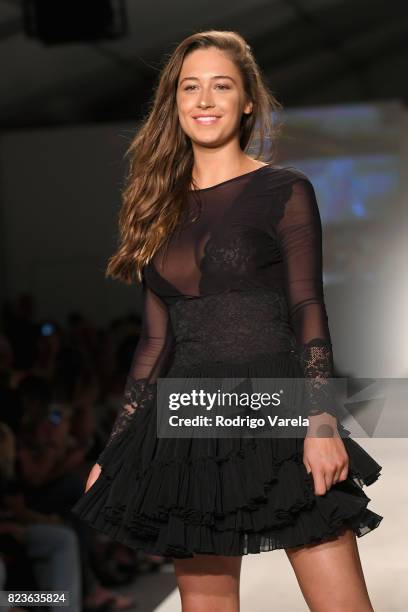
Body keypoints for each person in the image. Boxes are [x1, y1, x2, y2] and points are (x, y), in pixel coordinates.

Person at [71, 30, 383, 612]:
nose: (205, 99)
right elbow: (156, 340)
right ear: (175, 102)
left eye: (222, 85)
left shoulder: (283, 189)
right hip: (189, 417)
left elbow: (306, 306)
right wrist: (113, 452)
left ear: (246, 101)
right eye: (190, 87)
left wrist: (320, 418)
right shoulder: (154, 203)